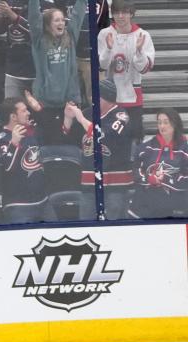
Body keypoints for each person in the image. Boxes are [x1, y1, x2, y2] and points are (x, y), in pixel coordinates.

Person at [65, 78, 134, 221]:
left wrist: (80, 118)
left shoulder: (121, 116)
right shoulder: (89, 112)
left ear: (106, 98)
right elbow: (67, 135)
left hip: (116, 184)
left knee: (114, 224)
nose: (91, 99)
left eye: (95, 96)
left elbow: (103, 135)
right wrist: (68, 118)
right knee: (86, 222)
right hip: (89, 182)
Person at [27, 0, 87, 144]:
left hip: (69, 100)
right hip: (46, 102)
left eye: (62, 20)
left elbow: (78, 15)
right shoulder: (39, 40)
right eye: (56, 20)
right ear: (48, 24)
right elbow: (34, 17)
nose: (61, 23)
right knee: (50, 140)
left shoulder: (70, 37)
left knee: (71, 141)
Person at [97, 0, 154, 142]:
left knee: (134, 139)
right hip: (110, 98)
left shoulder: (142, 35)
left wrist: (139, 51)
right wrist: (109, 49)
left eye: (124, 12)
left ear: (131, 14)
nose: (120, 16)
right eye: (117, 12)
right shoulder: (104, 34)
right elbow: (101, 66)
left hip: (132, 97)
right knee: (111, 140)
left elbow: (144, 68)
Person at [0, 96, 51, 223]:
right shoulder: (2, 138)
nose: (28, 113)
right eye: (24, 111)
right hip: (18, 206)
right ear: (13, 117)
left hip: (43, 201)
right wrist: (14, 143)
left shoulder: (31, 132)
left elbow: (52, 129)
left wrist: (39, 109)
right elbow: (8, 166)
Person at [129, 108, 188, 221]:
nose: (162, 126)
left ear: (175, 123)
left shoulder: (185, 148)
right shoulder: (145, 147)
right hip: (148, 203)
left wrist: (167, 179)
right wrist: (149, 178)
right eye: (159, 122)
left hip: (177, 203)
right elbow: (135, 169)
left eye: (166, 122)